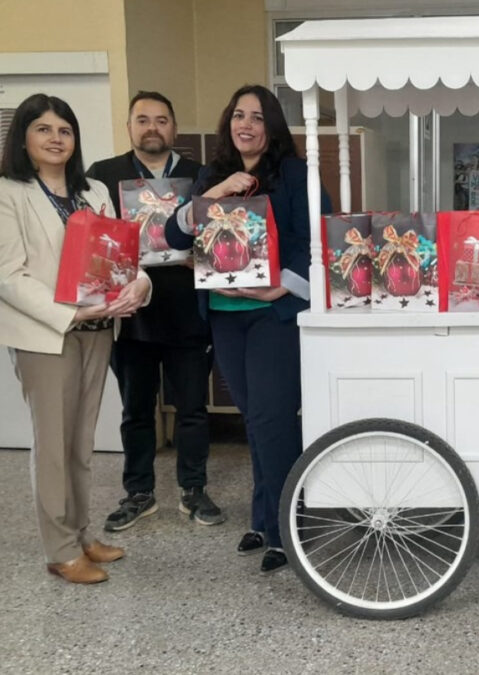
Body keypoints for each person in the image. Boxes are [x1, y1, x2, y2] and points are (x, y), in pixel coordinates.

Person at [0, 93, 152, 583]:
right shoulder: (2, 190)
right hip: (44, 334)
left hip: (98, 330)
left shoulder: (93, 188)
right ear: (24, 137)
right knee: (52, 443)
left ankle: (80, 533)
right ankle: (59, 549)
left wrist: (140, 284)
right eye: (44, 129)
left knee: (80, 442)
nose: (56, 139)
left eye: (65, 130)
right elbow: (6, 277)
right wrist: (72, 313)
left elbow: (122, 256)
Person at [166, 84, 330, 575]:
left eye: (258, 117)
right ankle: (264, 520)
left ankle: (287, 529)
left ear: (272, 126)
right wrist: (214, 193)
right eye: (239, 115)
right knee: (255, 422)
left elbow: (319, 239)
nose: (247, 125)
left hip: (272, 315)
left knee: (272, 419)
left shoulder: (298, 174)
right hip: (222, 314)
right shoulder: (210, 175)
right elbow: (175, 235)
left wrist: (283, 286)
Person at [86, 91, 224, 532]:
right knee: (136, 410)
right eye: (142, 119)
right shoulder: (102, 177)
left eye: (161, 120)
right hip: (130, 313)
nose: (152, 127)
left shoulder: (199, 176)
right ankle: (139, 492)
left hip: (186, 308)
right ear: (129, 127)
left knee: (192, 408)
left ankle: (193, 488)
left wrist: (199, 254)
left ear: (174, 128)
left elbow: (221, 238)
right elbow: (91, 241)